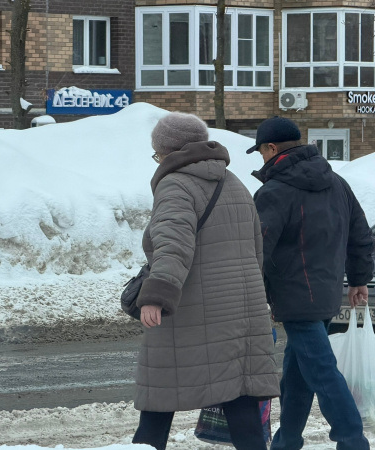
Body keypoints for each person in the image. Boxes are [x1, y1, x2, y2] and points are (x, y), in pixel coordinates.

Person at [132, 112, 280, 450]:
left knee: (158, 399)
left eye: (157, 154)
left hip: (190, 312)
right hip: (239, 315)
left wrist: (157, 294)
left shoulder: (176, 184)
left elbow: (173, 243)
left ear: (169, 151)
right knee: (240, 401)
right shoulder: (234, 183)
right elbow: (255, 250)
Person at [248, 116, 374, 450]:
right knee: (298, 373)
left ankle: (353, 441)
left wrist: (253, 297)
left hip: (294, 299)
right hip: (326, 294)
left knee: (322, 372)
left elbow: (255, 250)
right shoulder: (336, 183)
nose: (261, 157)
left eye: (261, 150)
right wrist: (359, 279)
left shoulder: (273, 192)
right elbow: (361, 236)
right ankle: (287, 440)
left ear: (271, 148)